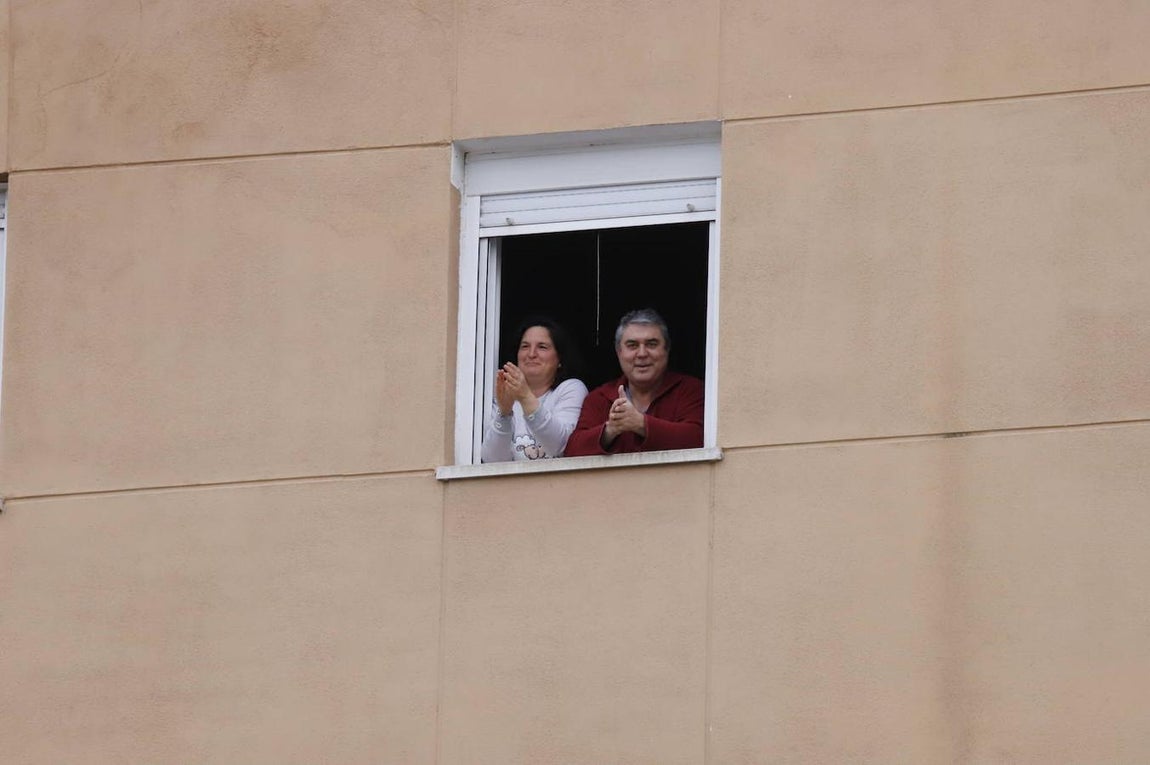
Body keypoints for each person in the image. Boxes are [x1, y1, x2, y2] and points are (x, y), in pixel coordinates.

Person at [566, 309, 703, 456]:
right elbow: (572, 452)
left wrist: (641, 424)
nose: (642, 354)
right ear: (619, 352)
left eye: (651, 344)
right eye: (632, 345)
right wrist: (609, 430)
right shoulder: (599, 398)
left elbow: (700, 438)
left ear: (667, 349)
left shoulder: (691, 390)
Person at [481, 317, 589, 463]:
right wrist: (504, 414)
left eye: (542, 347)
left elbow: (561, 446)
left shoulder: (571, 389)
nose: (531, 354)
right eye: (525, 346)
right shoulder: (505, 395)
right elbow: (492, 460)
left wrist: (525, 397)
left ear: (560, 359)